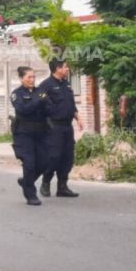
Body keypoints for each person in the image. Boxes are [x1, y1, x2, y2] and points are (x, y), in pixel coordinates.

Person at [38, 59, 83, 198]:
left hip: (67, 127)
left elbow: (71, 104)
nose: (67, 69)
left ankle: (62, 187)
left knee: (68, 157)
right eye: (65, 67)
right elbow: (40, 106)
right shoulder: (45, 85)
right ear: (57, 69)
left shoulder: (66, 84)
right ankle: (46, 182)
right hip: (54, 127)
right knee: (54, 156)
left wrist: (78, 118)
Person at [10, 66, 49, 206]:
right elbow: (23, 110)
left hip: (40, 132)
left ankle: (26, 180)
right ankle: (31, 195)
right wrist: (38, 101)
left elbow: (48, 107)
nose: (32, 80)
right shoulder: (17, 94)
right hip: (24, 133)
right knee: (29, 163)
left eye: (34, 77)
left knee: (44, 163)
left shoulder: (40, 91)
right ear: (21, 78)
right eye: (29, 77)